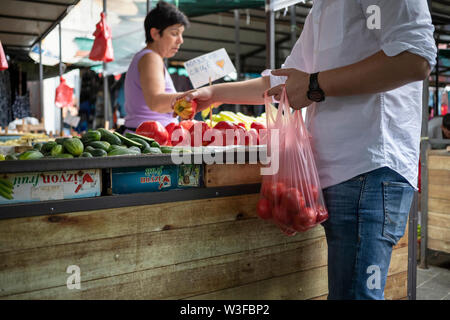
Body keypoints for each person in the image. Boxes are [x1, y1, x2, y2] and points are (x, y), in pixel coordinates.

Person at [181, 1, 436, 299]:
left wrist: (315, 85)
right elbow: (285, 80)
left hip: (368, 170)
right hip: (342, 177)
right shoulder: (323, 7)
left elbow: (415, 57)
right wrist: (215, 94)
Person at [120, 1, 189, 134]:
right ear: (155, 34)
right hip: (149, 140)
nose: (180, 40)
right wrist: (194, 97)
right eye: (174, 33)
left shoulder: (149, 57)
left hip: (149, 137)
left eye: (181, 34)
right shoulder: (150, 58)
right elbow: (156, 102)